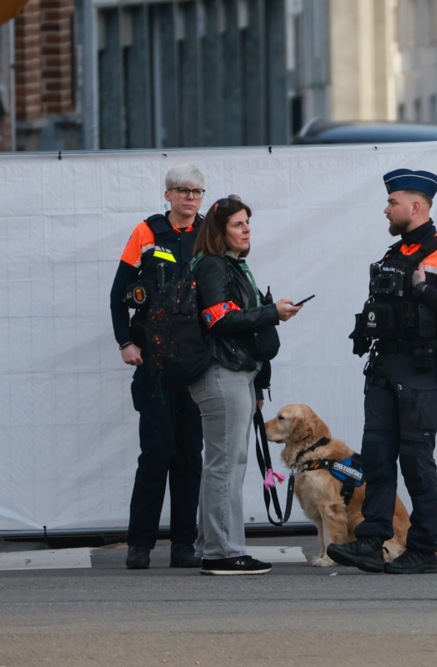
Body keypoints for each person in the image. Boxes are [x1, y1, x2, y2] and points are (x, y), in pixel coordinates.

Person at [327, 168, 437, 575]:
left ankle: (423, 549)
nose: (386, 209)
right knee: (376, 458)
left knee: (415, 460)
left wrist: (425, 289)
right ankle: (371, 542)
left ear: (416, 206)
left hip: (422, 373)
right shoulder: (393, 256)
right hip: (385, 370)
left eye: (392, 203)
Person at [188, 194, 301, 575]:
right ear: (220, 233)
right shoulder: (214, 267)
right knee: (226, 464)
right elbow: (218, 320)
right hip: (222, 375)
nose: (246, 229)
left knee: (222, 463)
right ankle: (223, 553)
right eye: (238, 224)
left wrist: (257, 385)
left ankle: (211, 546)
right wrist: (272, 312)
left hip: (235, 375)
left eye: (247, 222)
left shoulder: (230, 266)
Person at [109, 163, 207, 570]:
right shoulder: (146, 233)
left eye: (197, 191)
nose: (190, 197)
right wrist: (126, 342)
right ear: (167, 196)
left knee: (189, 455)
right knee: (155, 453)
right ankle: (141, 544)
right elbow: (118, 294)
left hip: (198, 363)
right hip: (154, 362)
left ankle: (184, 544)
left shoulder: (210, 232)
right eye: (182, 190)